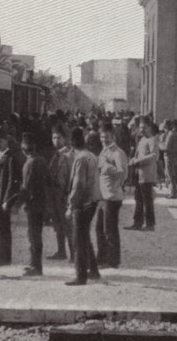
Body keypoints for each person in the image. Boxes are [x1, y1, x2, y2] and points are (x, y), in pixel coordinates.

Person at [66, 127, 101, 285]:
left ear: (72, 143)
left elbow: (78, 185)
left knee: (78, 239)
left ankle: (81, 276)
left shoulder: (80, 158)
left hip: (83, 203)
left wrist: (71, 206)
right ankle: (93, 270)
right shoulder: (91, 155)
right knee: (85, 236)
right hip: (92, 201)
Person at [17, 132, 50, 276]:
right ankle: (34, 264)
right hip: (42, 202)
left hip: (33, 204)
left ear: (23, 149)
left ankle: (36, 267)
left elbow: (26, 187)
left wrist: (16, 204)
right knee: (36, 235)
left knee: (33, 235)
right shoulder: (42, 160)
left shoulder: (29, 164)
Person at [0, 126, 22, 265]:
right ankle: (0, 253)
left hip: (2, 197)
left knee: (3, 228)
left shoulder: (10, 157)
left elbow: (12, 181)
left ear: (6, 141)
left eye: (0, 141)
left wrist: (7, 199)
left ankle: (5, 257)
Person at [95, 120, 128, 268]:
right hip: (103, 196)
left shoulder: (117, 153)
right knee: (99, 229)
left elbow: (123, 174)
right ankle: (102, 258)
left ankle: (113, 260)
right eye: (102, 137)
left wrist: (108, 167)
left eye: (106, 137)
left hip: (112, 197)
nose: (104, 139)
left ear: (113, 136)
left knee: (110, 230)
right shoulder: (105, 150)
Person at [127, 119, 158, 230]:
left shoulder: (152, 140)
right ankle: (137, 222)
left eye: (144, 128)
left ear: (149, 127)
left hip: (147, 175)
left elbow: (154, 156)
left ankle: (150, 224)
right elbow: (138, 154)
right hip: (139, 174)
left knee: (147, 200)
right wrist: (133, 160)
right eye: (140, 128)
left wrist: (138, 160)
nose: (141, 130)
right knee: (138, 199)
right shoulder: (142, 140)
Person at [48, 127, 73, 261]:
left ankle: (74, 254)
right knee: (57, 223)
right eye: (54, 138)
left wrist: (69, 195)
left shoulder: (69, 156)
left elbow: (72, 177)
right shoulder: (55, 155)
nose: (56, 141)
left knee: (68, 225)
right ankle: (61, 251)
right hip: (54, 193)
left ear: (65, 139)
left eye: (58, 138)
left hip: (64, 194)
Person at [164, 120, 177, 198]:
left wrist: (160, 146)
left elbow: (167, 147)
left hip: (169, 157)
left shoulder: (170, 135)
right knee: (173, 175)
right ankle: (174, 191)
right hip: (175, 157)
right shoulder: (176, 135)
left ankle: (173, 193)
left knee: (170, 175)